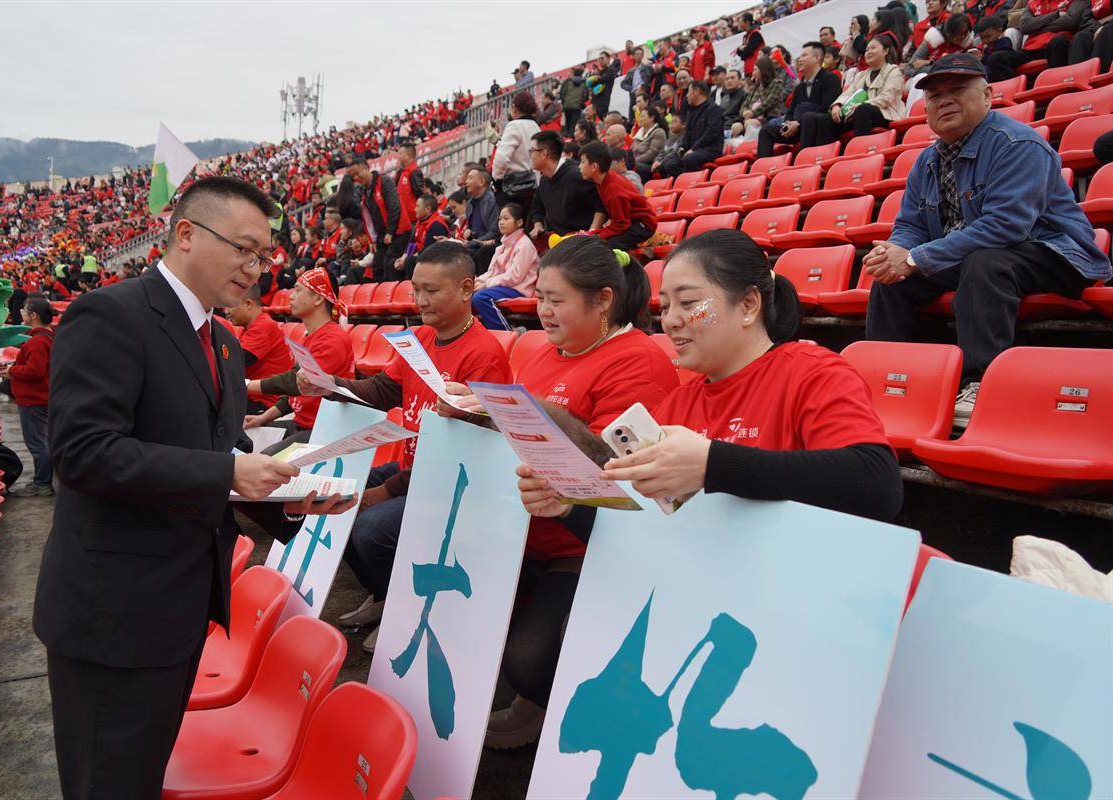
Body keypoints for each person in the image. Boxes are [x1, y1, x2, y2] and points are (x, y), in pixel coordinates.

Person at [32, 176, 339, 800]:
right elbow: (83, 454)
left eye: (264, 256)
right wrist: (228, 472)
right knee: (108, 783)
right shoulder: (111, 314)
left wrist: (284, 499)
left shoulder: (223, 342)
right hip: (112, 612)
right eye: (243, 249)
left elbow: (214, 459)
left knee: (144, 775)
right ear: (187, 234)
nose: (255, 269)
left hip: (181, 607)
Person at [439, 235, 678, 749]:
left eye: (555, 299)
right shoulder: (547, 355)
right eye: (540, 297)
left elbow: (610, 468)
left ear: (604, 301)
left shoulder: (640, 362)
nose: (541, 311)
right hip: (523, 523)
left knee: (528, 657)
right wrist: (483, 412)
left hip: (585, 543)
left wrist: (522, 407)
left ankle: (576, 723)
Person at [548, 229, 902, 528]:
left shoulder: (812, 372)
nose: (670, 320)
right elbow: (644, 529)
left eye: (688, 303)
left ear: (748, 304)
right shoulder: (677, 404)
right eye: (666, 306)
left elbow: (876, 486)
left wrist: (712, 464)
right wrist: (567, 508)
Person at [862, 55, 1111, 426]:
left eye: (957, 90)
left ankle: (981, 382)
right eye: (933, 96)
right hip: (977, 257)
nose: (943, 101)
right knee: (892, 281)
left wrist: (914, 258)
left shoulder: (1017, 144)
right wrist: (895, 253)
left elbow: (1005, 227)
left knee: (985, 261)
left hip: (1054, 252)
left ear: (988, 95)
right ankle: (885, 379)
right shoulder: (925, 161)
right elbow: (911, 225)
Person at [298, 241, 514, 651]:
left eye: (432, 290)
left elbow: (469, 454)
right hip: (417, 469)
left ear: (467, 289)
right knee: (329, 496)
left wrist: (385, 491)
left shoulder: (482, 353)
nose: (419, 300)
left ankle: (404, 609)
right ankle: (385, 595)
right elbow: (382, 389)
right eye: (416, 289)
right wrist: (330, 385)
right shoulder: (422, 339)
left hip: (454, 485)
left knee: (369, 528)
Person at [246, 267, 355, 448]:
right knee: (242, 438)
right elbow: (293, 395)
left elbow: (293, 383)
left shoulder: (333, 339)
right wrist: (262, 418)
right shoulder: (310, 335)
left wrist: (246, 385)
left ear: (318, 298)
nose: (290, 296)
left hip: (321, 431)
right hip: (302, 424)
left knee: (260, 466)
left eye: (297, 290)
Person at [802, 36, 907, 146]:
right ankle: (817, 156)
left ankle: (860, 150)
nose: (869, 52)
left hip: (885, 114)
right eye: (867, 50)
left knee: (863, 109)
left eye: (873, 48)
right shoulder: (861, 75)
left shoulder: (894, 71)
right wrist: (837, 105)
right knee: (813, 118)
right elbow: (847, 94)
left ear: (885, 51)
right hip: (856, 113)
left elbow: (887, 98)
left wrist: (860, 105)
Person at [2, 296, 55, 496]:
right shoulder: (46, 336)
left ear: (33, 315)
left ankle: (42, 483)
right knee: (42, 441)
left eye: (24, 310)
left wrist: (12, 372)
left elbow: (35, 371)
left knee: (37, 442)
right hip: (41, 397)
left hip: (34, 399)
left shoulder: (38, 341)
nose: (21, 313)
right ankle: (43, 481)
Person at [757, 42, 843, 157]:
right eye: (800, 56)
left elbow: (826, 107)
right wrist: (787, 124)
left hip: (821, 124)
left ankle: (804, 161)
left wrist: (798, 123)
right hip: (798, 126)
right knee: (766, 130)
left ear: (817, 58)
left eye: (804, 56)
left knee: (809, 117)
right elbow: (790, 111)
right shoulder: (800, 87)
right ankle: (762, 169)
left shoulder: (830, 78)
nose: (799, 59)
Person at [223, 283, 295, 411]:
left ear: (248, 304)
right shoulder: (254, 325)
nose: (226, 310)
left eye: (230, 305)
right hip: (253, 396)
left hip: (265, 402)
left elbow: (233, 363)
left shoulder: (263, 327)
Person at [528, 130, 607, 242]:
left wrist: (591, 234)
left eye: (532, 151)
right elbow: (537, 206)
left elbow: (601, 205)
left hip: (580, 242)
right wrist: (538, 225)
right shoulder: (545, 179)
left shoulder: (576, 175)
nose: (530, 155)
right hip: (558, 240)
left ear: (544, 154)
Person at [987, 0, 1098, 78]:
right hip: (1031, 48)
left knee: (1058, 42)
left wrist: (1037, 27)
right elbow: (1024, 26)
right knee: (996, 58)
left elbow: (1070, 21)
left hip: (1057, 44)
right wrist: (1056, 14)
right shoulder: (1032, 2)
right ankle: (1017, 93)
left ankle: (1058, 87)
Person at [472, 203, 540, 330]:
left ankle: (507, 332)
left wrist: (487, 284)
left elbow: (515, 276)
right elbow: (491, 272)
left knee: (481, 297)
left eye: (506, 218)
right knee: (467, 294)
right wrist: (476, 281)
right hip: (502, 286)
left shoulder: (525, 245)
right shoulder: (501, 247)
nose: (501, 222)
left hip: (518, 289)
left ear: (519, 222)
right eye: (499, 219)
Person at [580, 142, 658, 251]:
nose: (579, 166)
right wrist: (594, 233)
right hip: (629, 222)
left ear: (594, 167)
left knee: (604, 246)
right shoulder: (602, 181)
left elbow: (621, 224)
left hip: (643, 225)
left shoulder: (614, 190)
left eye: (582, 162)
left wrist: (597, 236)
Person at [349, 157, 412, 283]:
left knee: (389, 263)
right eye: (353, 176)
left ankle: (393, 294)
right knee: (377, 266)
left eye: (357, 173)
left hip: (398, 231)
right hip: (382, 235)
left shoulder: (384, 181)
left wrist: (390, 232)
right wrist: (373, 240)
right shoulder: (363, 191)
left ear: (366, 168)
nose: (356, 178)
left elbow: (394, 207)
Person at [492, 92, 541, 209]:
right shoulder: (536, 127)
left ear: (514, 108)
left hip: (513, 188)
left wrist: (497, 180)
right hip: (533, 184)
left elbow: (502, 158)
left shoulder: (514, 125)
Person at [672, 81, 725, 175]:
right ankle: (680, 185)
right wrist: (682, 148)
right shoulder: (691, 111)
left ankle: (692, 184)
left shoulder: (714, 109)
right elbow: (687, 133)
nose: (687, 96)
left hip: (710, 149)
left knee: (690, 159)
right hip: (693, 149)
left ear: (697, 91)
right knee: (670, 164)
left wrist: (694, 149)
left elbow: (711, 133)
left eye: (689, 92)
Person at [730, 57, 786, 140]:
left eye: (756, 70)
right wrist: (745, 113)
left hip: (769, 118)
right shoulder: (754, 88)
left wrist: (752, 113)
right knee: (735, 127)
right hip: (751, 118)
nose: (753, 73)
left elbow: (769, 102)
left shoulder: (776, 83)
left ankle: (751, 147)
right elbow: (744, 105)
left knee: (750, 123)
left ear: (763, 70)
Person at [396, 192, 452, 274]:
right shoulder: (420, 221)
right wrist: (404, 256)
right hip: (418, 256)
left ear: (428, 209)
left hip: (432, 260)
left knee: (409, 261)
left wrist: (408, 258)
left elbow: (429, 249)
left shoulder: (436, 225)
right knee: (393, 263)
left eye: (418, 206)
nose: (415, 209)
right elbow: (412, 242)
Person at [464, 168, 501, 272]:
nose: (466, 182)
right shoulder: (470, 203)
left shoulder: (492, 201)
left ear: (481, 182)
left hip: (486, 246)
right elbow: (472, 230)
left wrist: (471, 243)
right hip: (474, 245)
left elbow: (494, 232)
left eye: (470, 178)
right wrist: (469, 233)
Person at [631, 106, 668, 182]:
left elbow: (651, 154)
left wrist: (633, 162)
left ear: (652, 118)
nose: (640, 119)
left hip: (650, 165)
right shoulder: (640, 132)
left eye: (643, 116)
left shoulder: (659, 132)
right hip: (636, 161)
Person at [394, 144, 425, 232]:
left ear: (408, 155)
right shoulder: (401, 172)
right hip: (403, 218)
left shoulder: (414, 171)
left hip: (412, 219)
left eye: (400, 154)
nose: (398, 157)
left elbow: (419, 193)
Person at [590, 51, 620, 120]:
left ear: (608, 59)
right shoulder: (598, 72)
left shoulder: (611, 70)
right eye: (599, 59)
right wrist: (595, 76)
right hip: (595, 102)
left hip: (605, 102)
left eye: (602, 58)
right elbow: (591, 83)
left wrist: (596, 77)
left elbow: (603, 79)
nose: (600, 61)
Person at [559, 67, 589, 133]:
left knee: (567, 123)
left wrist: (564, 102)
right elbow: (586, 95)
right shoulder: (584, 82)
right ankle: (571, 137)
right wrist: (581, 102)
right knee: (574, 124)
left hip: (567, 106)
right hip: (577, 107)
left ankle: (566, 137)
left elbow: (562, 93)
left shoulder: (567, 81)